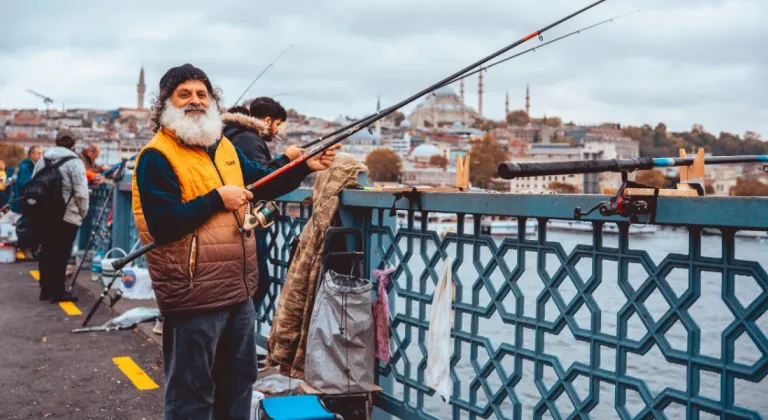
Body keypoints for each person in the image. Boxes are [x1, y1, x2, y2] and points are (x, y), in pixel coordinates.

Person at [132, 63, 338, 419]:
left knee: (239, 381)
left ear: (213, 102)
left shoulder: (222, 145)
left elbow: (261, 181)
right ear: (166, 103)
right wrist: (217, 199)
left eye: (202, 94)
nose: (195, 100)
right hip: (193, 291)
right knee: (192, 391)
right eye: (185, 95)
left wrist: (304, 165)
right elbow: (162, 225)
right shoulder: (157, 156)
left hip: (237, 288)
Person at [221, 98, 304, 313]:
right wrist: (288, 158)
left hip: (231, 222)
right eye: (276, 125)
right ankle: (239, 338)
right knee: (258, 282)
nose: (276, 130)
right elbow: (262, 181)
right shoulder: (249, 139)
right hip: (246, 222)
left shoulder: (231, 135)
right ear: (267, 120)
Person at [33, 129, 89, 302]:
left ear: (56, 142)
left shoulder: (43, 160)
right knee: (61, 253)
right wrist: (83, 213)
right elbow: (81, 192)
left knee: (47, 250)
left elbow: (34, 184)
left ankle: (45, 289)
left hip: (44, 215)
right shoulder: (74, 162)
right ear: (73, 144)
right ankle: (58, 291)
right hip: (67, 215)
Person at [11, 146, 42, 213]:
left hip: (27, 201)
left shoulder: (33, 165)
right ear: (32, 154)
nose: (40, 155)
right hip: (24, 202)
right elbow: (25, 183)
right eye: (38, 153)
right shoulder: (25, 166)